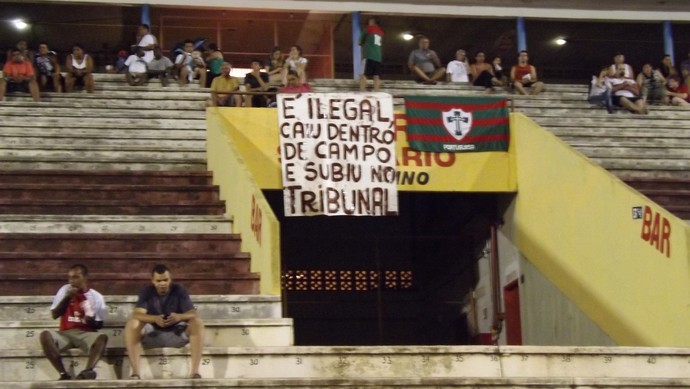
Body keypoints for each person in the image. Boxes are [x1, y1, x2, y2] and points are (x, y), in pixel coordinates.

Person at [124, 264, 204, 380]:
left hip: (176, 334)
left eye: (165, 280)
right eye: (159, 281)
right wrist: (154, 319)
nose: (162, 283)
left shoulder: (179, 290)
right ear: (153, 281)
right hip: (152, 334)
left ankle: (195, 372)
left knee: (197, 323)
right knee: (132, 323)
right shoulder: (146, 292)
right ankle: (136, 373)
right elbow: (137, 314)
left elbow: (193, 313)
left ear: (170, 279)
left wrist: (179, 317)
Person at [39, 264, 108, 380]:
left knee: (102, 338)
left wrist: (90, 321)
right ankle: (63, 374)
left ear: (85, 278)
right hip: (65, 333)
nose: (72, 281)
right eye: (70, 278)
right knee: (45, 335)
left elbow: (99, 325)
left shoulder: (96, 297)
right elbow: (54, 315)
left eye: (76, 277)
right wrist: (67, 297)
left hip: (85, 333)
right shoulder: (64, 290)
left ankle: (87, 371)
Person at [358, 15, 384, 91]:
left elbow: (359, 42)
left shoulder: (368, 29)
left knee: (364, 75)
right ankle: (377, 92)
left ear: (372, 21)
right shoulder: (381, 32)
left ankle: (362, 91)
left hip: (369, 55)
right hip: (378, 56)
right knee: (376, 76)